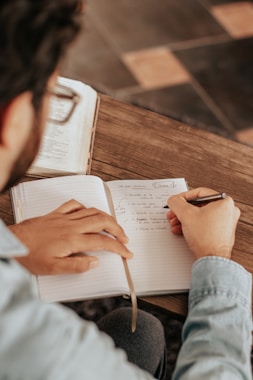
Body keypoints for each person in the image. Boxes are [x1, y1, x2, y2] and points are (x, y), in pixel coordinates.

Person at [0, 1, 251, 379]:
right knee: (141, 333)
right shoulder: (37, 343)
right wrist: (215, 259)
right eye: (53, 97)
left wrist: (14, 244)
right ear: (12, 115)